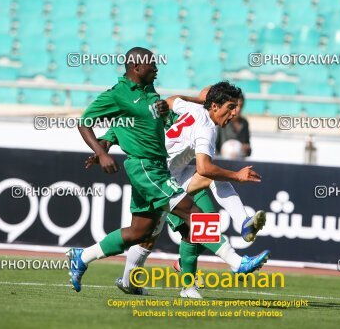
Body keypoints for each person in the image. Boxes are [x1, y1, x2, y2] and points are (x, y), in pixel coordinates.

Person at [67, 47, 240, 298]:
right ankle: (237, 262)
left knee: (141, 232)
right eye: (151, 65)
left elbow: (136, 124)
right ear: (136, 68)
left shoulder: (149, 91)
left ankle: (81, 257)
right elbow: (85, 122)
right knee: (194, 214)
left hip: (157, 166)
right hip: (146, 168)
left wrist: (160, 113)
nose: (156, 68)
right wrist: (103, 152)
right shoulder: (117, 94)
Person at [87, 82, 268, 298]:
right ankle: (200, 276)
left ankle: (240, 227)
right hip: (160, 178)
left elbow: (172, 100)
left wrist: (196, 101)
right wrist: (238, 175)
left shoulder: (191, 108)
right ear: (214, 103)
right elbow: (204, 167)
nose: (235, 112)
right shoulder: (204, 126)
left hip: (174, 173)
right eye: (231, 107)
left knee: (165, 230)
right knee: (153, 233)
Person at [216, 94, 252, 158]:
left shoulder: (244, 123)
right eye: (236, 106)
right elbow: (213, 148)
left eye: (241, 106)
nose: (238, 109)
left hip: (240, 164)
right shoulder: (221, 122)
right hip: (222, 164)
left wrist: (247, 149)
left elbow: (248, 149)